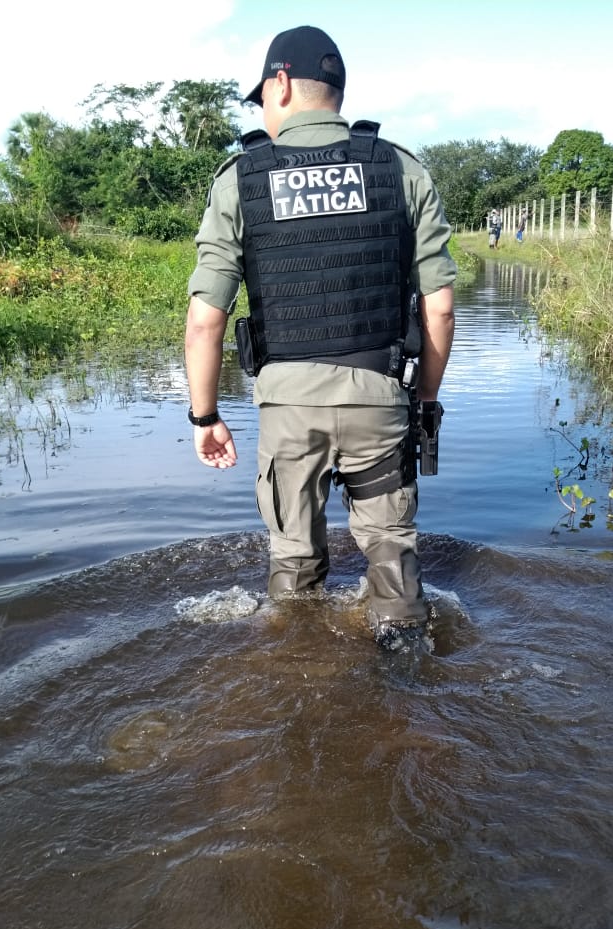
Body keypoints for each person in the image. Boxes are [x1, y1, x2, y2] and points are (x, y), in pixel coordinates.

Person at [184, 25, 456, 647]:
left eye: (262, 96)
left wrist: (205, 415)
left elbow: (206, 319)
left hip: (287, 409)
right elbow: (438, 310)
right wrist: (424, 402)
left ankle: (297, 673)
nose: (264, 111)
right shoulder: (398, 168)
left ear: (280, 81)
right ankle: (407, 692)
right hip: (381, 401)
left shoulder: (241, 178)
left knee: (294, 569)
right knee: (393, 564)